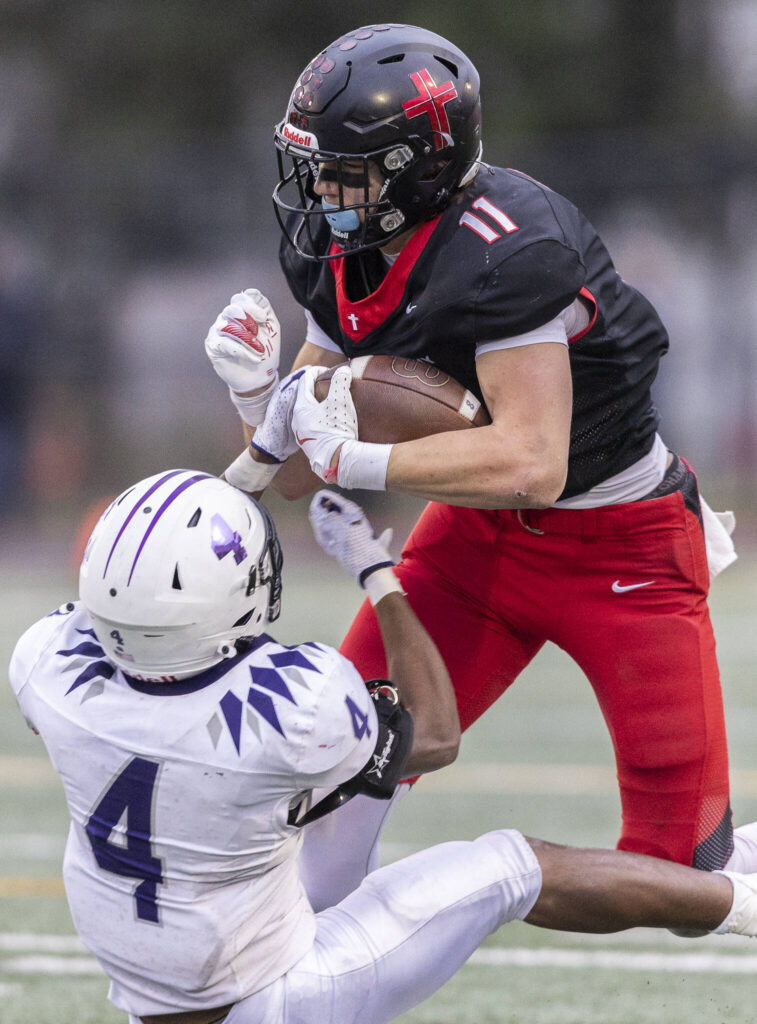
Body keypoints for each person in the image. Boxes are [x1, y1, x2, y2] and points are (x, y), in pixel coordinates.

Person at [203, 22, 756, 910]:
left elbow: (531, 461)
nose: (318, 189)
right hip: (477, 535)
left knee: (681, 882)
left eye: (345, 168)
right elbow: (300, 472)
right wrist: (254, 399)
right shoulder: (332, 247)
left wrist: (357, 452)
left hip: (622, 546)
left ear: (418, 166)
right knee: (337, 758)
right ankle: (310, 964)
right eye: (312, 162)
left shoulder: (508, 246)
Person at [8, 471, 757, 1024]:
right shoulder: (291, 708)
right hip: (270, 997)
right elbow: (432, 733)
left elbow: (144, 623)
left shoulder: (45, 665)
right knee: (506, 864)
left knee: (339, 791)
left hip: (164, 981)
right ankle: (740, 900)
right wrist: (378, 575)